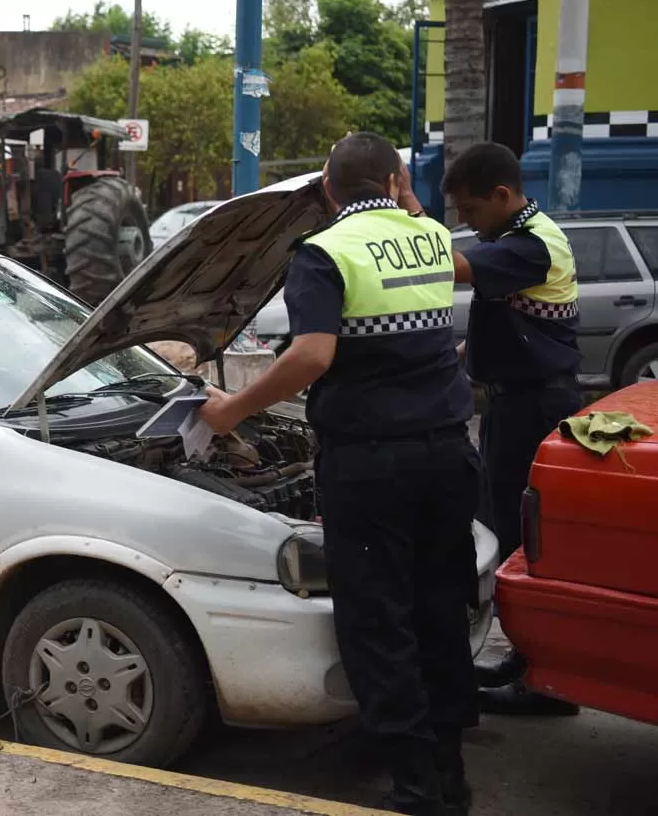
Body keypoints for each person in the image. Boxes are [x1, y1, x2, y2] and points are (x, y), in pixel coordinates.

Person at [198, 132, 480, 816]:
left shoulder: (323, 253)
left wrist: (229, 409)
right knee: (440, 608)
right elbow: (454, 262)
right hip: (449, 452)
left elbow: (313, 355)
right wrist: (409, 200)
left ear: (327, 191)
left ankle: (416, 789)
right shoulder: (429, 239)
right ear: (392, 182)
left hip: (374, 464)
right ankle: (451, 773)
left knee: (379, 621)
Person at [442, 142, 583, 717]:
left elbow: (458, 266)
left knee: (527, 544)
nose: (468, 225)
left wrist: (402, 218)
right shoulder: (515, 237)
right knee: (507, 532)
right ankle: (528, 658)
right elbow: (503, 318)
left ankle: (545, 681)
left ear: (502, 195)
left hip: (534, 408)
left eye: (471, 212)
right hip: (514, 404)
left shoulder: (532, 244)